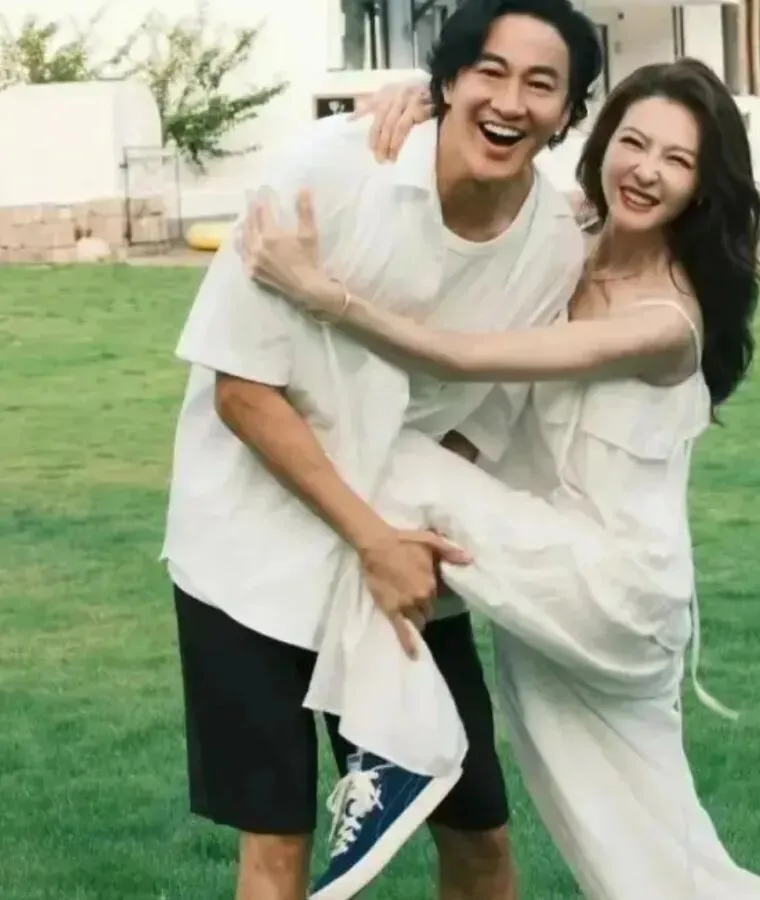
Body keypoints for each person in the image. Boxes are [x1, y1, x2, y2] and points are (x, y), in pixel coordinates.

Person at [240, 58, 760, 900]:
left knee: (388, 461)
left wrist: (321, 294)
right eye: (634, 142)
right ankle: (392, 738)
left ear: (704, 186)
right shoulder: (570, 235)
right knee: (646, 856)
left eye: (677, 160)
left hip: (613, 590)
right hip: (552, 577)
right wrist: (436, 102)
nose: (646, 170)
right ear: (602, 140)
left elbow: (466, 357)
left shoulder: (667, 320)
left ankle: (392, 746)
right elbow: (492, 176)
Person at [159, 0, 603, 898]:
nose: (510, 101)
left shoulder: (552, 249)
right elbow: (242, 392)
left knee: (478, 828)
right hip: (247, 550)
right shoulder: (331, 171)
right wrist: (372, 537)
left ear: (567, 112)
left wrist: (402, 540)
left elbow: (482, 420)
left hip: (401, 553)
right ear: (448, 82)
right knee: (276, 842)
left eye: (541, 84)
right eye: (490, 71)